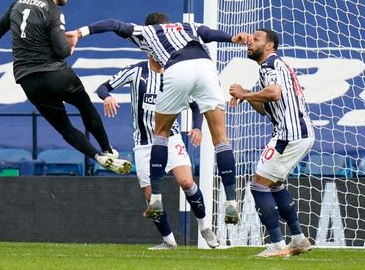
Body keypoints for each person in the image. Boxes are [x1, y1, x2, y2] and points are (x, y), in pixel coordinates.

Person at [68, 12, 249, 224]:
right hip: (206, 68)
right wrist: (231, 38)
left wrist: (81, 32)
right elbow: (208, 33)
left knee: (161, 133)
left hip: (177, 68)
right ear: (169, 22)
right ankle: (231, 201)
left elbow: (114, 23)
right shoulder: (188, 26)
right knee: (221, 138)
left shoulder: (147, 32)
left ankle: (155, 197)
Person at [0, 0, 131, 174]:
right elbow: (61, 50)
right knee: (85, 106)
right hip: (56, 74)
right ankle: (107, 149)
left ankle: (97, 156)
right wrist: (71, 45)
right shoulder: (52, 11)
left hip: (28, 80)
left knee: (64, 127)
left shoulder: (18, 4)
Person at [96, 57, 220, 249]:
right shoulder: (135, 71)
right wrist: (108, 97)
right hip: (145, 144)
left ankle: (205, 227)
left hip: (172, 138)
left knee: (186, 181)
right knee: (150, 196)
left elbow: (195, 105)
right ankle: (169, 240)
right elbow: (103, 87)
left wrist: (197, 127)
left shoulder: (177, 74)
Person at [228, 28, 314, 257]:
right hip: (300, 133)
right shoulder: (276, 66)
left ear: (269, 46)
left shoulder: (269, 66)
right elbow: (267, 109)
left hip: (289, 134)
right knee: (274, 185)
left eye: (256, 40)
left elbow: (274, 93)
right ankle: (298, 239)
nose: (249, 42)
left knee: (258, 185)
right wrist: (247, 94)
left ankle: (277, 243)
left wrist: (245, 94)